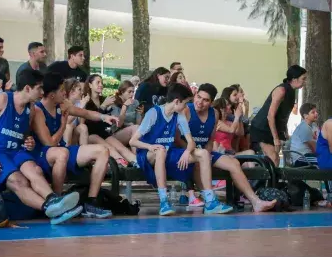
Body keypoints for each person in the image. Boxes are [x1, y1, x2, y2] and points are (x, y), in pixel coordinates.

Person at [0, 70, 81, 225]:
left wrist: (29, 140)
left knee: (35, 170)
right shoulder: (1, 100)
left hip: (16, 151)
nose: (42, 92)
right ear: (27, 88)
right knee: (18, 182)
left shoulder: (31, 109)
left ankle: (54, 201)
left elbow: (25, 133)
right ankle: (50, 209)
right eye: (39, 88)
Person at [130, 83, 233, 216]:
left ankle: (210, 201)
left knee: (203, 153)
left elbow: (191, 142)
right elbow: (133, 141)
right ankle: (164, 202)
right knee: (161, 150)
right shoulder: (154, 113)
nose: (186, 106)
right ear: (177, 101)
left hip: (168, 152)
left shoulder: (178, 115)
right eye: (185, 103)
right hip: (148, 154)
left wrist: (186, 152)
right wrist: (150, 146)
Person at [175, 83, 277, 213]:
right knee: (201, 159)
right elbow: (177, 140)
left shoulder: (214, 114)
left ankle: (255, 201)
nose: (200, 102)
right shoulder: (186, 111)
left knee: (234, 163)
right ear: (195, 95)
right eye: (198, 97)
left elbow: (211, 140)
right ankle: (210, 201)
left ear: (211, 102)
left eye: (205, 100)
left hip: (205, 151)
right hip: (186, 152)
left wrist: (207, 152)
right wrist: (199, 153)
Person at [31, 72, 119, 219]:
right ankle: (58, 204)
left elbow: (85, 113)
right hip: (42, 153)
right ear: (52, 95)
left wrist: (104, 117)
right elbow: (50, 143)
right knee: (61, 153)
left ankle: (90, 203)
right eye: (61, 91)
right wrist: (63, 124)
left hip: (60, 150)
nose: (65, 93)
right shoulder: (39, 111)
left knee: (102, 151)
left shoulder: (62, 104)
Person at [250, 65, 307, 166]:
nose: (305, 82)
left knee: (275, 159)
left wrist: (284, 133)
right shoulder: (281, 90)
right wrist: (276, 138)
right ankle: (266, 181)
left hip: (273, 129)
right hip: (261, 128)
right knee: (274, 157)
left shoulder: (292, 92)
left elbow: (284, 115)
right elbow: (270, 116)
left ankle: (271, 181)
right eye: (303, 79)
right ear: (294, 79)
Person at [83, 74, 139, 167]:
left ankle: (138, 164)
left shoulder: (104, 99)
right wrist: (103, 107)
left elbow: (109, 123)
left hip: (104, 133)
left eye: (102, 82)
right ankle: (122, 164)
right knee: (109, 147)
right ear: (90, 85)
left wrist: (108, 110)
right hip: (90, 135)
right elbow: (89, 122)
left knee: (120, 147)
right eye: (98, 82)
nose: (101, 85)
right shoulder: (86, 100)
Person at [110, 80, 142, 146]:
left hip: (133, 130)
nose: (132, 94)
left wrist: (140, 114)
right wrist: (124, 107)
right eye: (129, 92)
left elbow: (138, 124)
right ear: (122, 92)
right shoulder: (114, 103)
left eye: (133, 92)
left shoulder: (135, 102)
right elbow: (118, 125)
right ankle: (136, 155)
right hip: (117, 133)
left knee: (137, 129)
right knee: (135, 128)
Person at [63, 78, 90, 146]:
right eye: (79, 90)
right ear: (72, 92)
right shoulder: (64, 103)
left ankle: (84, 152)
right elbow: (66, 122)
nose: (82, 92)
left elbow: (81, 123)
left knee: (83, 127)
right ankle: (67, 151)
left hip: (74, 135)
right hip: (63, 134)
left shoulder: (79, 103)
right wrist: (80, 107)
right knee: (68, 127)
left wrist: (83, 107)